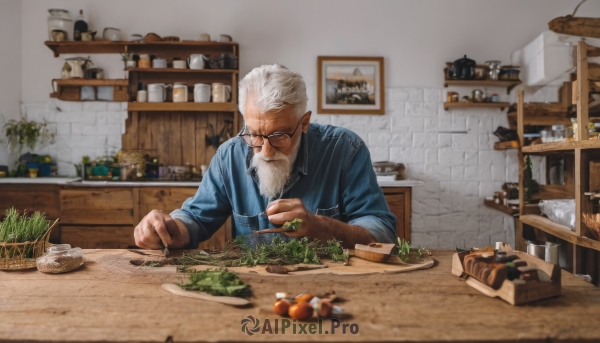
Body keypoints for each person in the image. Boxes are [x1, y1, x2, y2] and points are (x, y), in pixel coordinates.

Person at [134, 64, 397, 250]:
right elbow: (196, 220)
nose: (266, 151)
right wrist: (167, 231)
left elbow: (382, 233)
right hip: (253, 290)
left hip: (330, 289)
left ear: (304, 123)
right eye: (255, 135)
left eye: (280, 135)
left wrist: (320, 228)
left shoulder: (344, 150)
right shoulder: (230, 155)